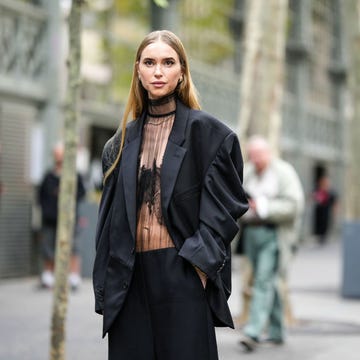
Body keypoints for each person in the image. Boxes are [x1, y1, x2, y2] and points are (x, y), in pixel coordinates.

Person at [92, 30, 249, 360]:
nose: (158, 71)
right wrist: (106, 282)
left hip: (182, 271)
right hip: (130, 277)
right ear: (138, 70)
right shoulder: (118, 144)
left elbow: (225, 210)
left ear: (182, 72)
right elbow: (108, 223)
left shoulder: (209, 135)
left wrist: (199, 269)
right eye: (149, 62)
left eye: (168, 62)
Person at [238, 135, 304, 352]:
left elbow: (294, 206)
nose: (255, 159)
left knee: (263, 281)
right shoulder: (247, 172)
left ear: (268, 153)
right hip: (251, 234)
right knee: (269, 281)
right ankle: (277, 330)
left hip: (272, 234)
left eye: (259, 155)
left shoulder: (283, 173)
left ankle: (253, 331)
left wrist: (264, 207)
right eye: (252, 155)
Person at [38, 142, 86, 290]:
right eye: (57, 155)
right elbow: (40, 197)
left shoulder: (73, 175)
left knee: (73, 248)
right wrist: (47, 211)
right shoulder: (48, 176)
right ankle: (48, 277)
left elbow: (81, 193)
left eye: (61, 155)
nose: (58, 158)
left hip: (69, 219)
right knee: (49, 248)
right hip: (50, 220)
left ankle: (74, 277)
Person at [312, 173, 338, 245]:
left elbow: (334, 202)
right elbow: (313, 198)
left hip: (326, 213)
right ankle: (319, 236)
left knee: (325, 224)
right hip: (318, 212)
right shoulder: (317, 190)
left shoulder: (331, 192)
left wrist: (335, 212)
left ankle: (323, 238)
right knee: (319, 224)